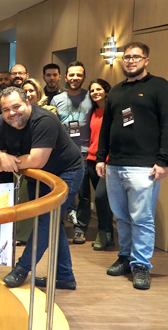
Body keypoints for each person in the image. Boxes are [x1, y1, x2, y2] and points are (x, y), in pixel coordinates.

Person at [0, 87, 84, 290]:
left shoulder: (44, 120)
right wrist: (0, 157)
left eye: (16, 107)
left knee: (45, 221)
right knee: (51, 223)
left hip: (67, 172)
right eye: (6, 110)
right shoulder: (1, 122)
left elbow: (37, 160)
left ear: (27, 104)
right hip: (36, 177)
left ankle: (22, 269)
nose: (12, 113)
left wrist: (5, 162)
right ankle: (64, 276)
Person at [96, 42, 168, 290]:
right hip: (115, 165)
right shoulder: (115, 91)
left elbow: (167, 125)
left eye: (136, 57)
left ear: (146, 60)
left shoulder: (160, 87)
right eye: (126, 57)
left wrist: (163, 160)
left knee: (142, 218)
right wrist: (100, 157)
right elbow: (106, 127)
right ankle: (126, 257)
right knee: (122, 217)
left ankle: (141, 265)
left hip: (144, 166)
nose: (130, 61)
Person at [50, 61, 93, 244]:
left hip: (84, 151)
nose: (75, 78)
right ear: (65, 77)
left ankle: (80, 228)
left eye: (79, 75)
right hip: (62, 153)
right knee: (61, 191)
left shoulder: (91, 98)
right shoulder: (56, 100)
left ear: (83, 77)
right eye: (72, 75)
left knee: (83, 193)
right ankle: (58, 225)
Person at [84, 79, 114, 251]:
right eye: (92, 90)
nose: (95, 92)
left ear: (106, 90)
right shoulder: (93, 112)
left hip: (108, 160)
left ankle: (102, 232)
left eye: (98, 89)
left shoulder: (113, 110)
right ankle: (109, 232)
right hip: (91, 159)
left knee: (101, 196)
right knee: (104, 200)